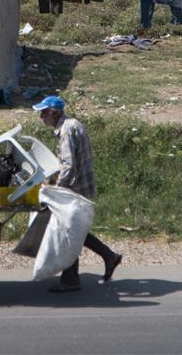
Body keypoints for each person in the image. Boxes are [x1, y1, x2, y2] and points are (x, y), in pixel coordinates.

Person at [33, 95, 122, 292]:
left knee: (69, 231)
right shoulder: (71, 124)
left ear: (54, 113)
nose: (41, 117)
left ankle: (75, 277)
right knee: (71, 230)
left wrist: (57, 189)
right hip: (82, 184)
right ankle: (106, 258)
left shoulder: (66, 130)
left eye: (44, 113)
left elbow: (68, 165)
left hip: (76, 187)